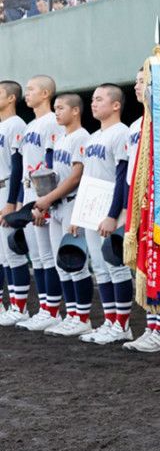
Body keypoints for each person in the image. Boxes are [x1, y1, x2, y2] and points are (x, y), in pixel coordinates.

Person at [71, 84, 134, 345]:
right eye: (93, 100)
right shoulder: (93, 136)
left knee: (116, 267)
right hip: (91, 208)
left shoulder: (121, 133)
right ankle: (110, 321)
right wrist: (78, 213)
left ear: (116, 105)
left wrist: (113, 215)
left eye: (99, 99)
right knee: (100, 268)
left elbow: (122, 178)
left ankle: (122, 324)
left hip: (112, 209)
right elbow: (86, 178)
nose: (94, 104)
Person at [121, 69, 160, 354]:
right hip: (139, 203)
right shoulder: (136, 125)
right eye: (137, 80)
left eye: (142, 81)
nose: (136, 85)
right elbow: (130, 173)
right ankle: (152, 326)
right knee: (143, 265)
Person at [34, 93, 93, 336]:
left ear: (76, 111)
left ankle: (83, 317)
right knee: (62, 264)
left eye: (61, 108)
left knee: (77, 264)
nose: (57, 112)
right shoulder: (61, 138)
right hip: (58, 204)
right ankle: (72, 314)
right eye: (55, 108)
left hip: (73, 203)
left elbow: (76, 176)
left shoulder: (82, 136)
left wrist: (47, 198)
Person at [13, 75, 65, 332]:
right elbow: (24, 166)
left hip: (43, 196)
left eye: (31, 89)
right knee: (38, 257)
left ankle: (52, 310)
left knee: (48, 257)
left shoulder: (51, 123)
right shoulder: (31, 125)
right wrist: (23, 202)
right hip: (30, 193)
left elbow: (50, 165)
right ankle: (45, 308)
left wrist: (44, 202)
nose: (27, 93)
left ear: (46, 93)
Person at [0, 80, 28, 325]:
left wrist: (11, 201)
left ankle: (19, 307)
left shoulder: (16, 124)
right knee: (2, 255)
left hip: (7, 187)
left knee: (12, 252)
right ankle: (5, 304)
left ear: (11, 98)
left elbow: (18, 165)